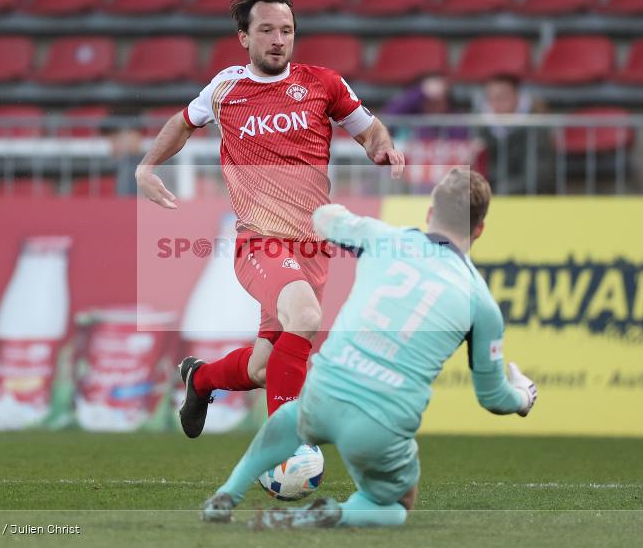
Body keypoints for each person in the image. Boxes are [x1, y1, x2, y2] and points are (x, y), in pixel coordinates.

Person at [134, 0, 405, 437]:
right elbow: (182, 125)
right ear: (244, 37)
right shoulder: (226, 87)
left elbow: (370, 130)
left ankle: (199, 380)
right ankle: (287, 447)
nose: (278, 39)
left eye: (287, 30)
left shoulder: (323, 84)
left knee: (264, 369)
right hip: (259, 241)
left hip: (314, 246)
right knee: (307, 318)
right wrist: (146, 167)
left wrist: (383, 150)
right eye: (266, 30)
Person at [200, 168, 538, 529]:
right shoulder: (482, 303)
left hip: (326, 392)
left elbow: (325, 218)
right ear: (480, 230)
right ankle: (334, 513)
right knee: (398, 501)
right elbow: (493, 398)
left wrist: (324, 205)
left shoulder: (382, 237)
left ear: (428, 214)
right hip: (382, 421)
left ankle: (228, 493)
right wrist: (523, 395)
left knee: (292, 416)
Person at [474, 74, 555, 194]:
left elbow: (539, 175)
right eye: (491, 98)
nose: (496, 104)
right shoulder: (481, 127)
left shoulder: (536, 127)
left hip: (529, 199)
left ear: (517, 97)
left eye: (502, 98)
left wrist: (499, 191)